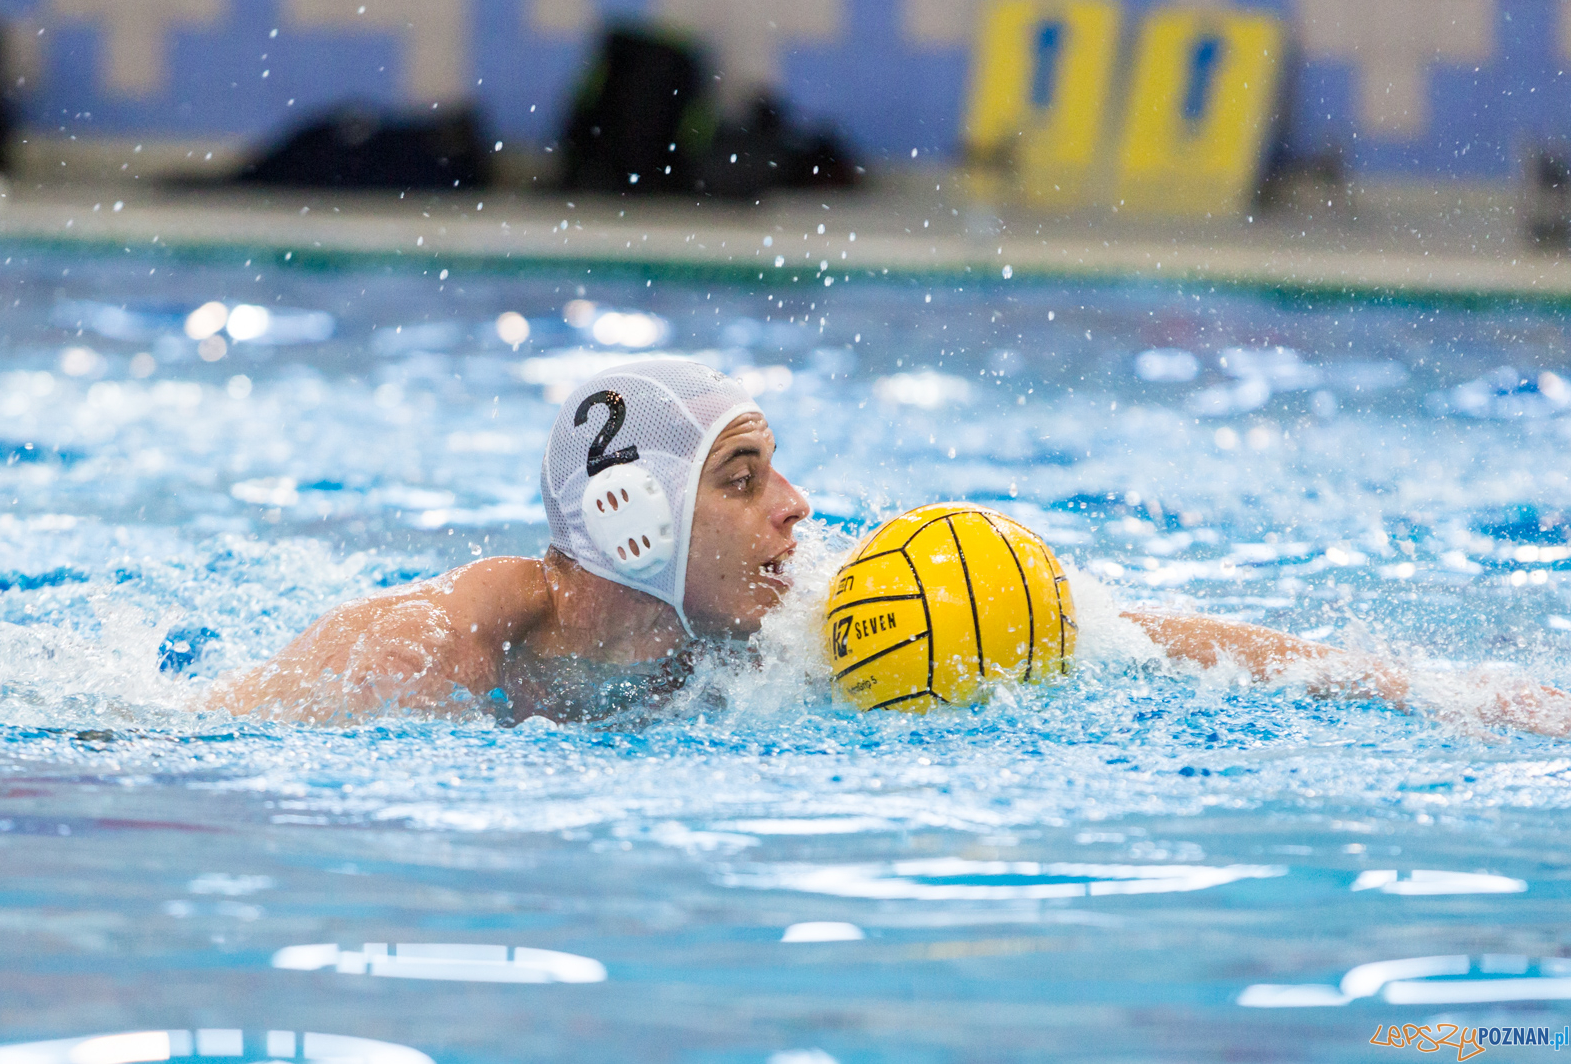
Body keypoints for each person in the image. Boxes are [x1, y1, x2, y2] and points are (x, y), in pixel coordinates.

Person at [209, 359, 1571, 736]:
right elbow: (208, 736)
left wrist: (1431, 687)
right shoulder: (447, 638)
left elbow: (1136, 638)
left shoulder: (805, 610)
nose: (798, 507)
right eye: (744, 477)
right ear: (635, 518)